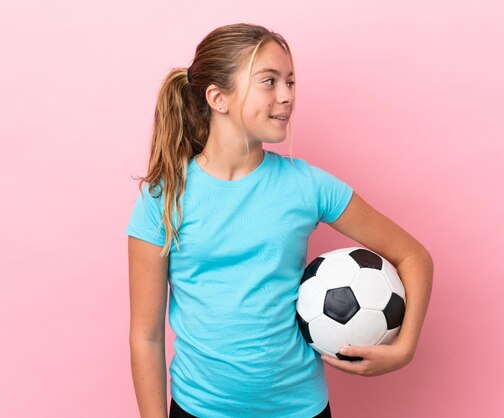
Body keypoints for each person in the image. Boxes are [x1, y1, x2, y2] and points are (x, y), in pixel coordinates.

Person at [126, 23, 433, 418]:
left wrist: (404, 349)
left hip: (299, 409)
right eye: (269, 81)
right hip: (198, 409)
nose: (287, 95)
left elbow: (413, 256)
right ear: (218, 98)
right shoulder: (164, 198)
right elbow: (146, 337)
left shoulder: (308, 185)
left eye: (290, 82)